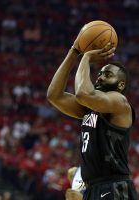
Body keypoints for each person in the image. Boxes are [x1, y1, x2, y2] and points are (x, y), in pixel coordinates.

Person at [47, 28, 138, 199]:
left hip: (115, 187)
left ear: (120, 84)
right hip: (92, 188)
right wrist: (74, 51)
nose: (100, 77)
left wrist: (87, 57)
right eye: (101, 73)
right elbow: (54, 95)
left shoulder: (120, 102)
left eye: (108, 74)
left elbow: (83, 94)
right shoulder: (91, 108)